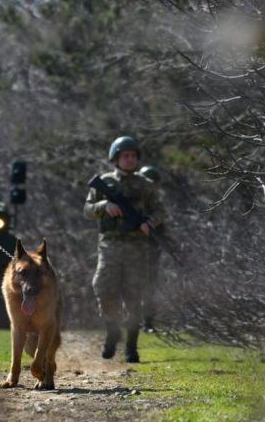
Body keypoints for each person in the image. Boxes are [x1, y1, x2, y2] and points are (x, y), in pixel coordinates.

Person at [83, 136, 166, 363]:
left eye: (133, 156)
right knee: (103, 288)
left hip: (137, 247)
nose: (130, 160)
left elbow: (160, 211)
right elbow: (87, 210)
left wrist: (149, 223)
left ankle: (131, 347)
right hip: (109, 245)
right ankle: (112, 331)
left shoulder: (145, 185)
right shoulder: (105, 182)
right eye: (125, 156)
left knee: (133, 296)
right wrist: (104, 206)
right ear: (115, 158)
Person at [137, 165, 169, 334]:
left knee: (150, 287)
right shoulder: (133, 201)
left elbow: (162, 222)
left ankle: (148, 321)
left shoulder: (157, 205)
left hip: (151, 250)